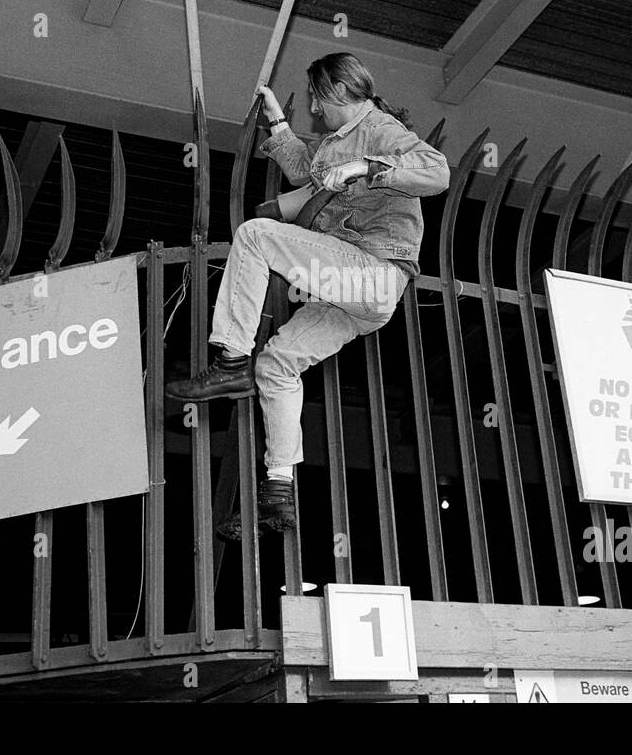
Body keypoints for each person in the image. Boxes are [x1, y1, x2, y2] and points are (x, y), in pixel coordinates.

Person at [165, 52, 450, 541]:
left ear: (339, 90)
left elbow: (437, 172)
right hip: (356, 299)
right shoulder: (333, 141)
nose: (314, 108)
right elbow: (304, 170)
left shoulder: (380, 130)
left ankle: (231, 359)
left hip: (376, 272)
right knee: (276, 365)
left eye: (317, 96)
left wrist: (368, 166)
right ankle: (279, 492)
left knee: (255, 234)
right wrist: (276, 114)